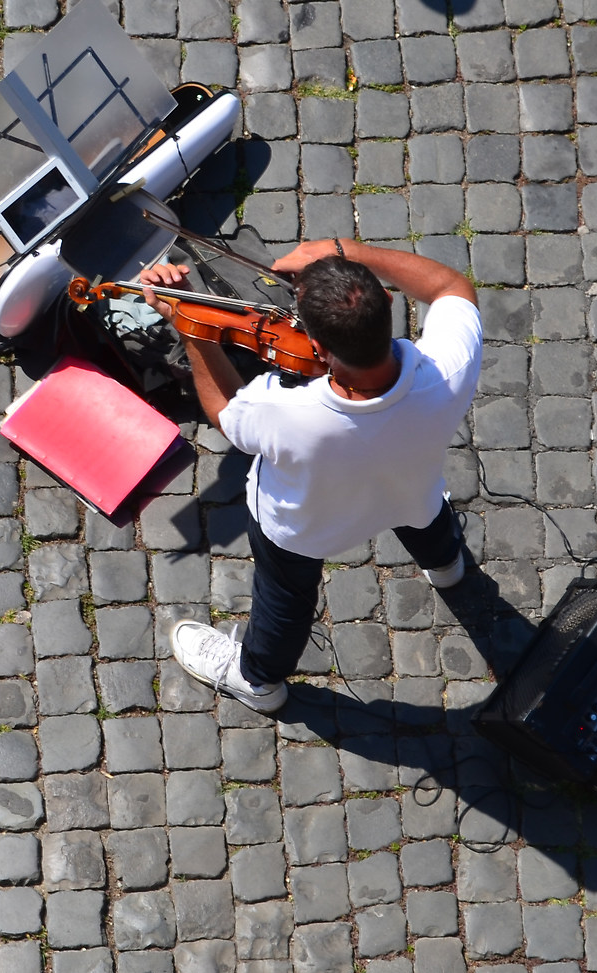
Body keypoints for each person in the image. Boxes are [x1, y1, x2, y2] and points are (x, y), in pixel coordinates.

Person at [146, 237, 483, 712]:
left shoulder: (282, 409)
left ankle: (257, 679)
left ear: (319, 348)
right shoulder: (449, 366)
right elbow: (450, 285)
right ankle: (447, 568)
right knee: (427, 516)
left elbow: (225, 411)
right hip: (412, 490)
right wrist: (347, 251)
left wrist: (191, 327)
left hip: (303, 527)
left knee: (285, 598)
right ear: (388, 302)